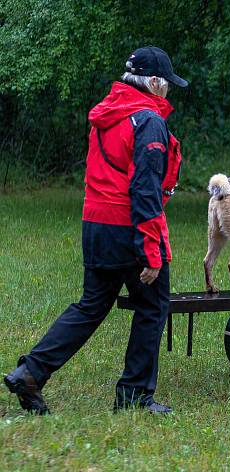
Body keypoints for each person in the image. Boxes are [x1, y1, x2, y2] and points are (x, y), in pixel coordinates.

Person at [3, 46, 188, 415]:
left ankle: (31, 372)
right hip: (128, 226)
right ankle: (134, 396)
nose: (167, 91)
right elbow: (144, 189)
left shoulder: (108, 113)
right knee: (152, 307)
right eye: (166, 83)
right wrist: (151, 247)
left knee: (92, 305)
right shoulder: (148, 121)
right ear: (153, 82)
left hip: (95, 224)